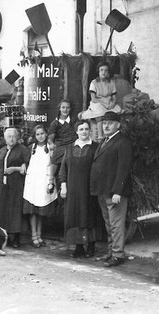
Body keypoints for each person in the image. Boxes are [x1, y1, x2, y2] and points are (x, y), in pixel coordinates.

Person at [90, 111, 133, 267]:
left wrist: (117, 191)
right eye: (104, 123)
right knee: (109, 224)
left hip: (114, 192)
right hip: (103, 190)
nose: (106, 126)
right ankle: (111, 251)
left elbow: (123, 168)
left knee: (116, 224)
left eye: (110, 123)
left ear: (118, 125)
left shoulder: (123, 142)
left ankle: (118, 254)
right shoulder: (105, 141)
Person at [59, 120, 99, 258]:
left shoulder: (95, 147)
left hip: (89, 189)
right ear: (76, 131)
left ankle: (91, 246)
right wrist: (63, 185)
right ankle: (79, 246)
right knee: (75, 216)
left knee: (88, 216)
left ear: (90, 131)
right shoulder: (70, 148)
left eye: (86, 129)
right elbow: (63, 168)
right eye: (81, 129)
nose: (84, 132)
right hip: (73, 190)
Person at [0, 128, 30, 248]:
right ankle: (2, 236)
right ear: (5, 138)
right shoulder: (2, 150)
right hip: (2, 185)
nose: (11, 139)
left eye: (13, 136)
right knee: (1, 209)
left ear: (17, 138)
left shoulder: (23, 150)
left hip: (16, 184)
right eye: (8, 137)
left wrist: (15, 169)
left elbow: (27, 166)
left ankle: (16, 238)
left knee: (15, 210)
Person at [23, 125, 57, 248]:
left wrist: (51, 181)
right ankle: (34, 236)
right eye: (37, 134)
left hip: (44, 180)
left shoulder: (51, 148)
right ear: (35, 136)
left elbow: (53, 165)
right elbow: (25, 162)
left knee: (41, 210)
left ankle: (39, 235)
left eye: (42, 133)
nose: (40, 136)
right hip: (33, 182)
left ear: (46, 134)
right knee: (33, 211)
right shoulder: (31, 148)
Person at [80, 61, 121, 140]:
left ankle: (111, 134)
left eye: (106, 70)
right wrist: (104, 103)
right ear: (98, 72)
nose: (103, 72)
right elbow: (93, 98)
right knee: (99, 112)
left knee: (115, 112)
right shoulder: (94, 83)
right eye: (101, 70)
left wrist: (112, 104)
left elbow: (114, 97)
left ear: (108, 72)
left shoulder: (111, 83)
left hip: (108, 102)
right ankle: (100, 136)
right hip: (97, 102)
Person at [48, 99, 77, 182]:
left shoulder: (73, 120)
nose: (65, 110)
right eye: (63, 107)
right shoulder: (55, 123)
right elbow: (51, 138)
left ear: (70, 109)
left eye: (67, 107)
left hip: (73, 143)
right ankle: (51, 179)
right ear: (60, 109)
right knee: (56, 157)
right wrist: (51, 144)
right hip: (61, 144)